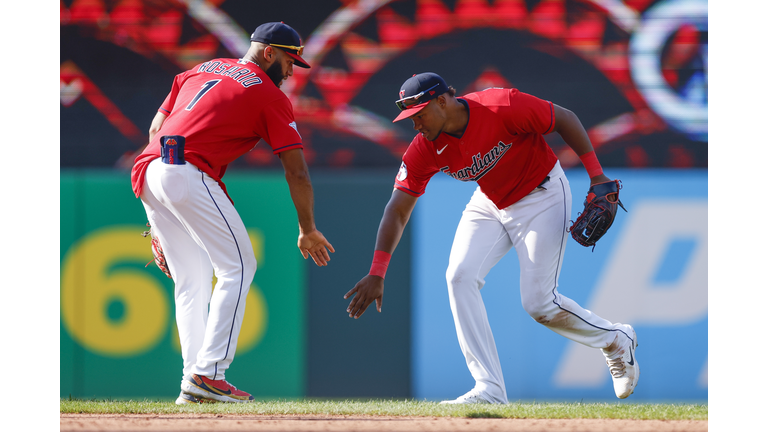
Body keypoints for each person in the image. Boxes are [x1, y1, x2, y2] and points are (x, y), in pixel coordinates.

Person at [344, 72, 638, 404]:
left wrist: (597, 175)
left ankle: (615, 339)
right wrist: (377, 271)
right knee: (458, 276)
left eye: (419, 115)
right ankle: (490, 389)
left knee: (539, 304)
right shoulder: (425, 148)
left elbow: (564, 119)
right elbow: (398, 208)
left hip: (541, 194)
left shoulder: (501, 105)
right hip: (491, 201)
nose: (415, 125)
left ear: (442, 101)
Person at [130, 22, 335, 404]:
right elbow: (296, 170)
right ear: (269, 52)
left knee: (191, 278)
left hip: (149, 170)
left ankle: (192, 381)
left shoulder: (201, 68)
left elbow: (157, 125)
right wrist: (307, 227)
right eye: (290, 60)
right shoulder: (269, 95)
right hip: (186, 172)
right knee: (239, 267)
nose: (292, 71)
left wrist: (162, 204)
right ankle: (209, 374)